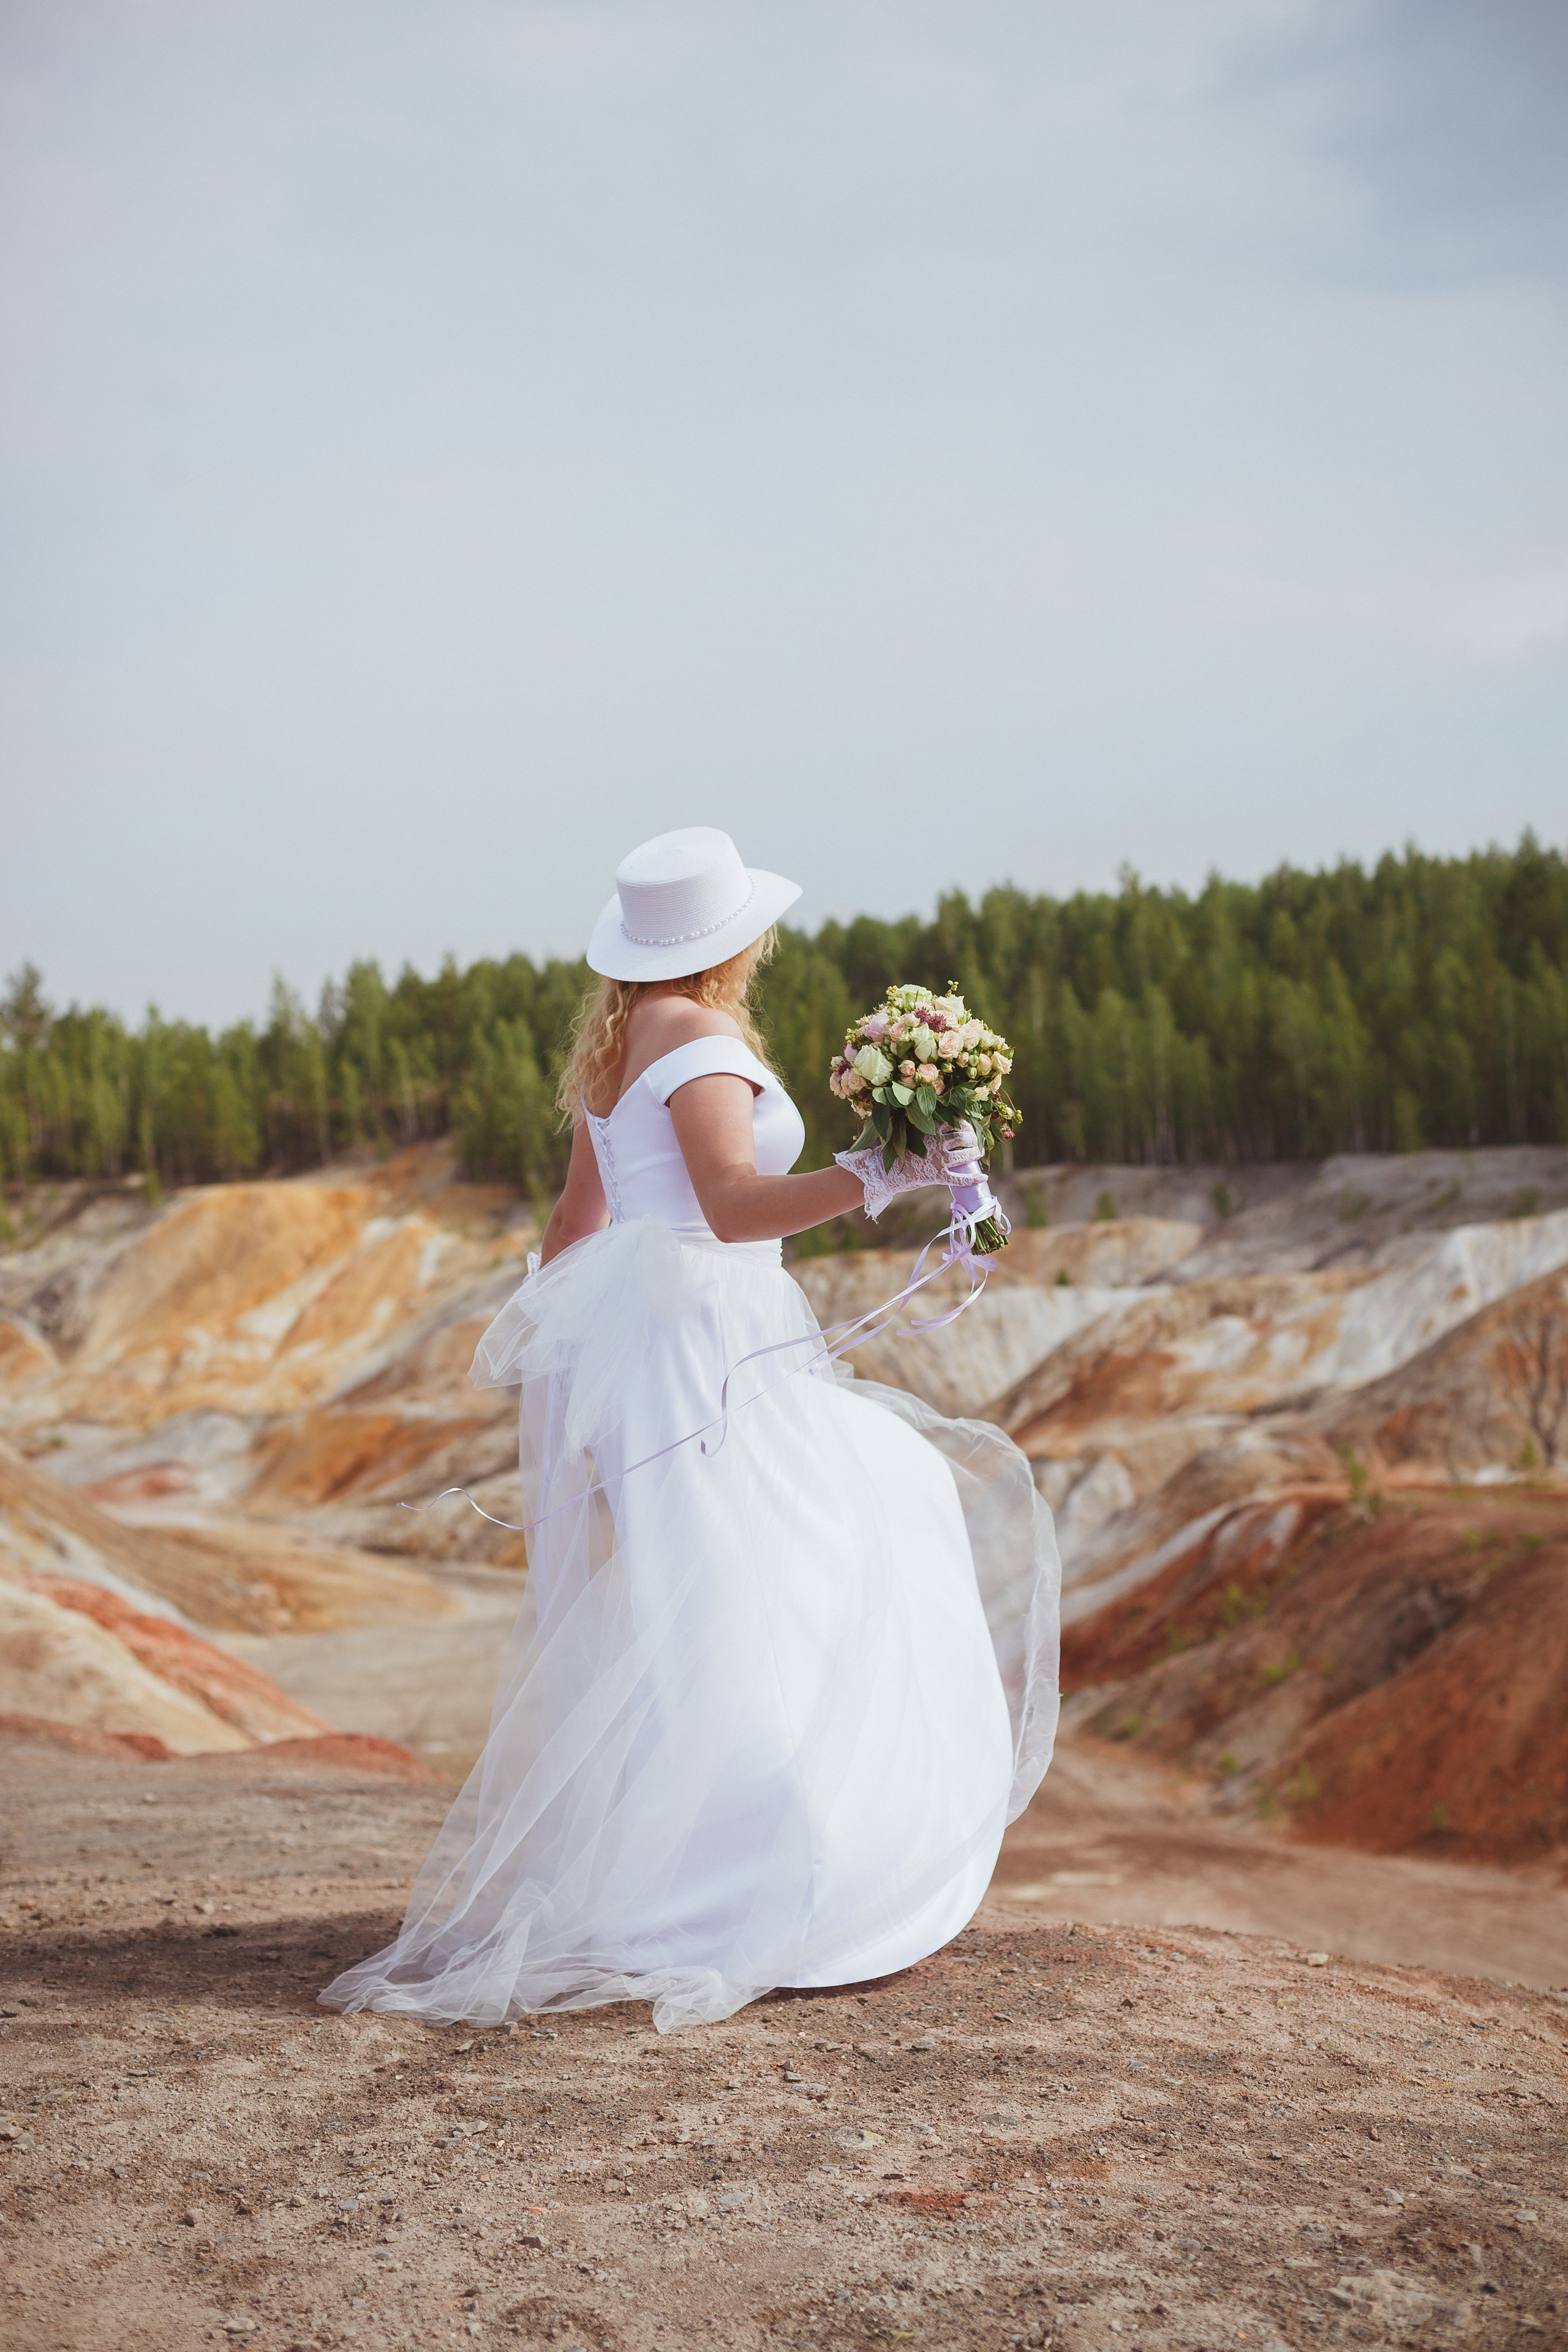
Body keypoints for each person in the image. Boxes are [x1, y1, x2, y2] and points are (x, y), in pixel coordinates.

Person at [322, 827, 1060, 2034]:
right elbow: (727, 1208)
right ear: (737, 941)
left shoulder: (615, 1052)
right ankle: (787, 1874)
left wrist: (571, 1358)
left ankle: (703, 1863)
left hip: (660, 1348)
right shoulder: (698, 1037)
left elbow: (574, 1224)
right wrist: (876, 1176)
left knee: (708, 1584)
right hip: (705, 1345)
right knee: (823, 1542)